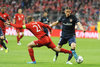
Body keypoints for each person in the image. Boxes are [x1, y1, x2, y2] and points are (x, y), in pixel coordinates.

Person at [6, 16, 76, 64]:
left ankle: (33, 61)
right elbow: (47, 26)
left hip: (43, 39)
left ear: (28, 21)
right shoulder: (38, 23)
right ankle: (70, 52)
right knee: (56, 49)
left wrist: (11, 24)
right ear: (33, 20)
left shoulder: (28, 25)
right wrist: (50, 30)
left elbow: (19, 26)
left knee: (29, 46)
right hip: (47, 37)